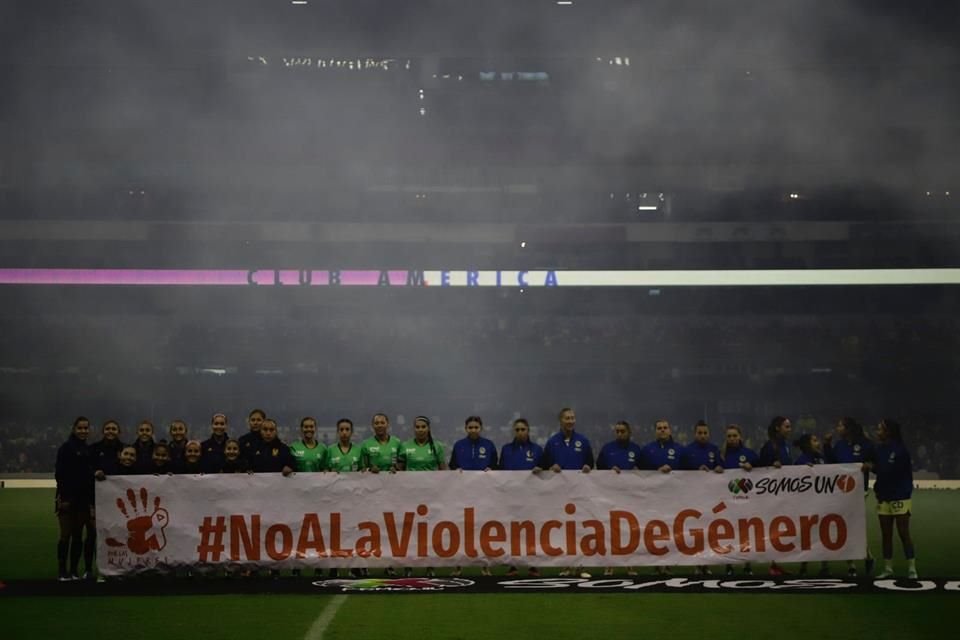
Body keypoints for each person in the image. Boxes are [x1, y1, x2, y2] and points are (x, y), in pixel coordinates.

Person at [536, 408, 593, 579]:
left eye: (572, 418)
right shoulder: (552, 442)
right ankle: (567, 566)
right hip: (560, 495)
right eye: (567, 418)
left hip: (579, 494)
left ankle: (580, 566)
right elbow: (545, 465)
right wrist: (550, 467)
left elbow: (590, 463)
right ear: (560, 421)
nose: (570, 421)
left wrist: (587, 467)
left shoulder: (583, 441)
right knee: (564, 531)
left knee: (580, 530)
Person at [824, 416, 876, 577]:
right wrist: (826, 445)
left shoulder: (865, 444)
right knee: (845, 526)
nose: (837, 428)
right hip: (841, 492)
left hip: (859, 491)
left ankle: (862, 559)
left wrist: (869, 465)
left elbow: (875, 462)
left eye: (840, 426)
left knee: (851, 526)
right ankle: (856, 562)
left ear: (848, 428)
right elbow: (830, 463)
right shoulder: (839, 445)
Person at [398, 416, 446, 577]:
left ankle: (430, 565)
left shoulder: (437, 446)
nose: (420, 429)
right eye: (417, 427)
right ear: (414, 429)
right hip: (409, 495)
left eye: (423, 426)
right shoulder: (405, 446)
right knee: (410, 530)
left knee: (430, 531)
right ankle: (408, 565)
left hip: (431, 496)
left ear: (428, 428)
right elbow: (398, 469)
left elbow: (443, 471)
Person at [596, 420, 643, 577]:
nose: (620, 434)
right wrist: (609, 471)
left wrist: (637, 471)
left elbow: (644, 472)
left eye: (623, 431)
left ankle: (629, 565)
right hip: (610, 496)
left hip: (630, 496)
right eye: (617, 431)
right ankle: (609, 565)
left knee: (628, 531)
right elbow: (599, 470)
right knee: (610, 531)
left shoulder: (636, 450)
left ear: (629, 432)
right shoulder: (607, 449)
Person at [498, 418, 544, 577]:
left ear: (528, 430)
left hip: (532, 498)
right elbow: (500, 472)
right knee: (512, 533)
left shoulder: (537, 450)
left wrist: (542, 469)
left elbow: (546, 472)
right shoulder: (506, 450)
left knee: (531, 532)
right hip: (511, 498)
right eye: (517, 430)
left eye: (523, 429)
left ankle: (533, 565)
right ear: (513, 431)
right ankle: (513, 565)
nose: (520, 432)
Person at [873, 419, 917, 579]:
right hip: (884, 498)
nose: (877, 432)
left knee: (903, 533)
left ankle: (912, 568)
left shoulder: (901, 450)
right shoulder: (879, 450)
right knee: (886, 535)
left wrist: (905, 493)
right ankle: (887, 568)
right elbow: (880, 471)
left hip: (900, 497)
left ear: (888, 432)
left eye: (879, 429)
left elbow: (904, 474)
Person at [55, 416, 96, 581]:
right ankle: (62, 570)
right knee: (65, 535)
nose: (83, 431)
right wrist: (64, 497)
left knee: (78, 535)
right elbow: (60, 474)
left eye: (86, 428)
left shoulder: (87, 449)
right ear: (74, 429)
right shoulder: (66, 448)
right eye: (80, 428)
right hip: (67, 499)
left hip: (82, 500)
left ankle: (73, 570)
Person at [718, 424, 759, 576]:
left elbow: (763, 468)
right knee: (729, 533)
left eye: (735, 436)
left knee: (745, 533)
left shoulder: (749, 453)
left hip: (746, 500)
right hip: (728, 501)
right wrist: (717, 469)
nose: (732, 439)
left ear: (740, 437)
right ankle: (729, 565)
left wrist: (753, 465)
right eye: (729, 436)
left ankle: (747, 564)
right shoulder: (721, 454)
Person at [325, 419, 363, 578]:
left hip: (354, 500)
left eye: (347, 429)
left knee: (353, 532)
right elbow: (324, 471)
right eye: (341, 429)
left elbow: (363, 473)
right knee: (335, 533)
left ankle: (354, 566)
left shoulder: (359, 450)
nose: (344, 432)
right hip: (335, 499)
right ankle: (334, 566)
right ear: (337, 432)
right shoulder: (330, 450)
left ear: (351, 432)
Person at [759, 416, 793, 576]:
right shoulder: (769, 446)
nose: (789, 429)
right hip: (772, 497)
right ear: (778, 428)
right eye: (787, 426)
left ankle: (777, 563)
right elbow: (760, 469)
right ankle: (773, 564)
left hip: (784, 495)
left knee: (782, 530)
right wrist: (770, 467)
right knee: (773, 530)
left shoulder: (785, 446)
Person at [793, 434, 829, 577]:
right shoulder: (801, 460)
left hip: (822, 502)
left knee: (823, 534)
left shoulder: (821, 458)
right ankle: (804, 565)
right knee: (807, 535)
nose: (817, 442)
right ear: (807, 444)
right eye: (814, 440)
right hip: (807, 504)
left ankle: (824, 565)